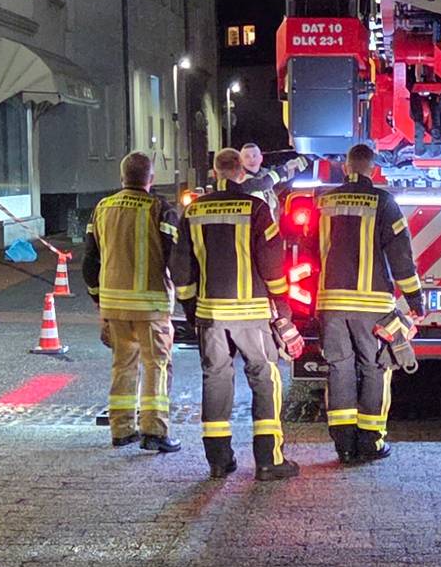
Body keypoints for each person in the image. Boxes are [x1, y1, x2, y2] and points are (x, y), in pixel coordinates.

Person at [178, 148, 299, 481]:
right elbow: (272, 264)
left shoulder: (193, 211)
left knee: (215, 379)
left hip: (211, 313)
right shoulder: (257, 208)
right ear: (241, 173)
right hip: (251, 313)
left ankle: (218, 461)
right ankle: (268, 459)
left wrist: (190, 309)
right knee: (265, 378)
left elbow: (182, 268)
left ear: (215, 172)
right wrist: (282, 305)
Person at [311, 143, 424, 463]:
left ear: (345, 168)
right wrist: (414, 295)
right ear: (374, 170)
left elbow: (310, 249)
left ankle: (344, 444)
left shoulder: (326, 201)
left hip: (331, 302)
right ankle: (370, 441)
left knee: (339, 369)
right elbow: (400, 254)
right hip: (373, 304)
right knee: (376, 368)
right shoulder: (384, 202)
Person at [82, 151, 189, 454]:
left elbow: (90, 259)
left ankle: (121, 430)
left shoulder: (103, 208)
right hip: (151, 305)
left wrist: (97, 299)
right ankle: (154, 431)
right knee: (156, 365)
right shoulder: (159, 208)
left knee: (122, 367)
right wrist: (186, 294)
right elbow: (175, 256)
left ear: (122, 177)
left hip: (114, 305)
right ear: (151, 179)